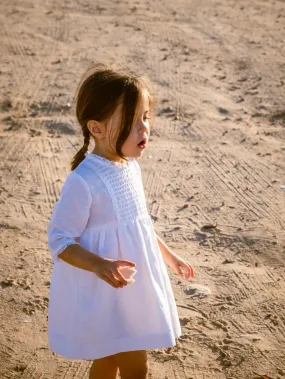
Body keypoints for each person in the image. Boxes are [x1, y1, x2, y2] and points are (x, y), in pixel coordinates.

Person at [47, 62, 194, 379]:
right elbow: (60, 240)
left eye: (145, 117)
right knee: (134, 364)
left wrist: (168, 255)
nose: (143, 128)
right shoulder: (83, 181)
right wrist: (99, 264)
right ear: (96, 128)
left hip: (129, 285)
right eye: (131, 121)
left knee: (109, 360)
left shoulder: (129, 166)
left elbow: (138, 222)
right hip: (105, 290)